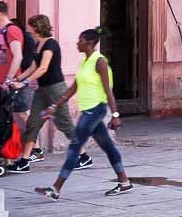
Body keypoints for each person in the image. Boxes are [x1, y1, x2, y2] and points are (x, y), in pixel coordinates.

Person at [34, 29, 131, 200]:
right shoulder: (85, 61)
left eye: (80, 41)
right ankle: (124, 182)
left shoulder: (99, 61)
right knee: (108, 146)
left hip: (96, 109)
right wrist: (54, 106)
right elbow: (73, 88)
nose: (77, 43)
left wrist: (115, 114)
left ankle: (55, 189)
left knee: (74, 147)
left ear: (90, 43)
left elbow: (108, 90)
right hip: (88, 110)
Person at [6, 15, 90, 174]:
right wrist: (16, 79)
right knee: (33, 123)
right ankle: (24, 161)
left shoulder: (51, 44)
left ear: (38, 27)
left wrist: (23, 84)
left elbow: (43, 68)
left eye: (30, 27)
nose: (28, 30)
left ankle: (84, 156)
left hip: (55, 89)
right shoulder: (38, 44)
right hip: (42, 89)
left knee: (65, 124)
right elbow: (32, 67)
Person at [0, 1, 27, 122]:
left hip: (12, 81)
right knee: (6, 115)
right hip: (2, 81)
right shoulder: (1, 31)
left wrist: (9, 78)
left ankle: (33, 141)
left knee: (22, 114)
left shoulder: (12, 30)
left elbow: (18, 56)